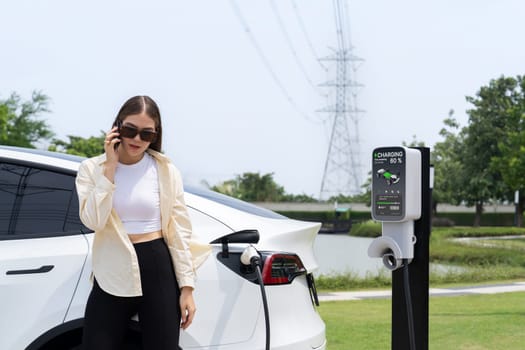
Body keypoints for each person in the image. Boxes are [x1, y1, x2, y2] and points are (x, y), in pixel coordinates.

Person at [76, 95, 210, 350]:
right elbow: (93, 220)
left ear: (155, 135)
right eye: (130, 130)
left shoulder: (166, 170)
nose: (137, 139)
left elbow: (179, 230)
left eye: (146, 134)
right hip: (112, 267)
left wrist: (187, 287)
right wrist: (110, 169)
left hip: (157, 265)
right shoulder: (91, 169)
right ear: (116, 128)